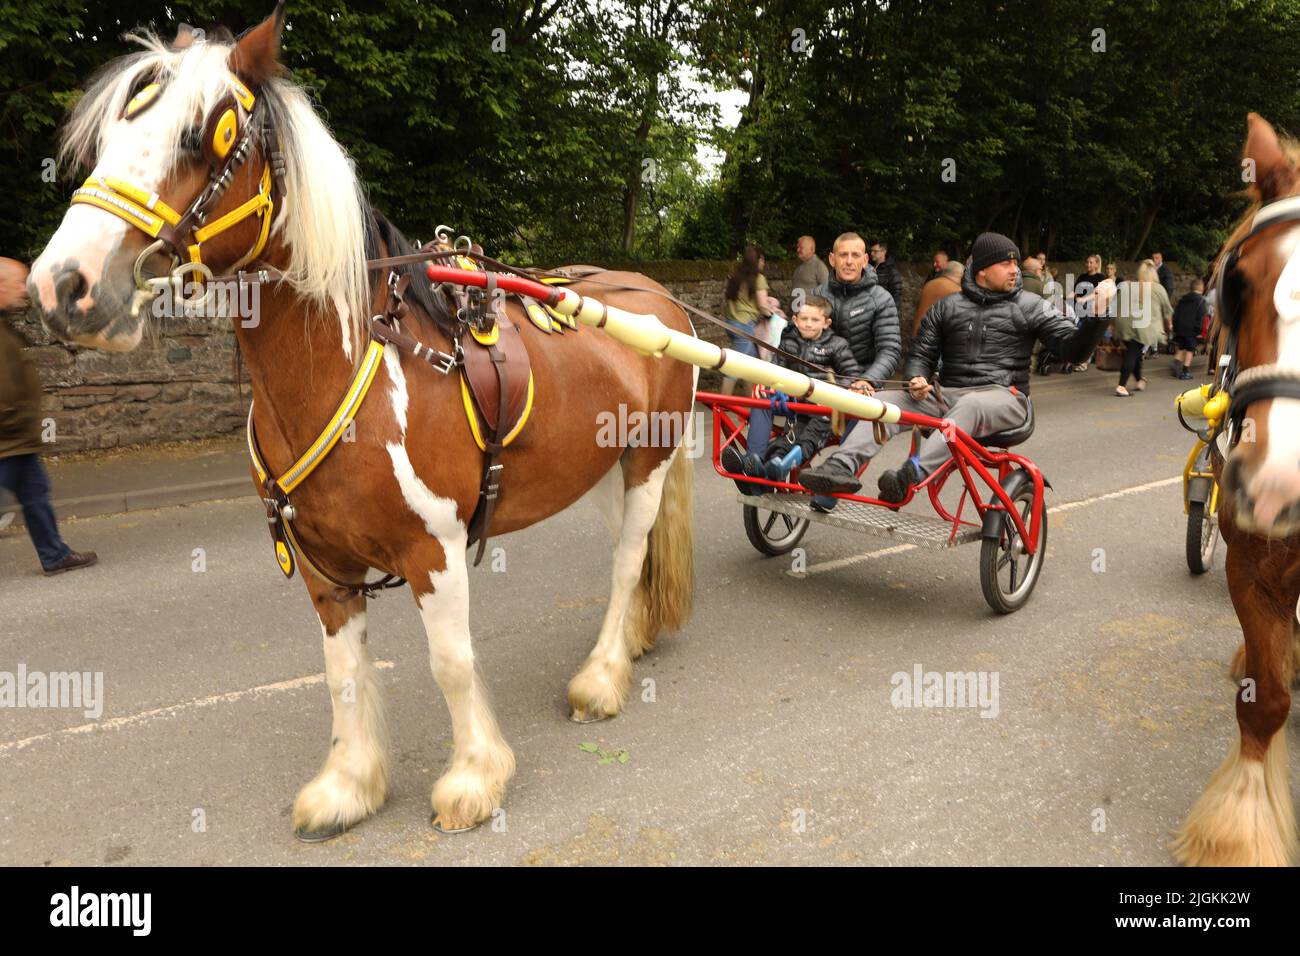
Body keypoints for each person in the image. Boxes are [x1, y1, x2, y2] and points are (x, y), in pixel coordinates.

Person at [798, 233, 1106, 504]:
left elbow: (1073, 349)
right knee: (883, 402)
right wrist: (917, 377)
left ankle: (911, 475)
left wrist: (1097, 317)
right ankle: (840, 467)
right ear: (983, 270)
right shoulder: (947, 307)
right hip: (947, 396)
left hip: (1006, 398)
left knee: (971, 404)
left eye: (1016, 264)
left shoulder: (1030, 305)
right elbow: (921, 354)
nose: (1016, 270)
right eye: (1007, 264)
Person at [0, 258, 97, 576]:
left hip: (16, 440)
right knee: (34, 493)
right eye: (17, 284)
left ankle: (55, 555)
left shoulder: (4, 325)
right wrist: (13, 421)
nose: (23, 292)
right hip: (8, 438)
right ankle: (55, 555)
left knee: (35, 492)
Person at [721, 295, 862, 493]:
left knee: (810, 433)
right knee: (763, 398)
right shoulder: (787, 344)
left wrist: (830, 390)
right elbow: (775, 371)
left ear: (826, 323)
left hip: (823, 407)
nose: (808, 324)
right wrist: (771, 386)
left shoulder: (837, 345)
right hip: (794, 405)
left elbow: (851, 377)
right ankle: (755, 460)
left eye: (815, 320)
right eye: (804, 319)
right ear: (795, 320)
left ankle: (781, 465)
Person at [812, 233, 901, 391]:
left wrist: (869, 380)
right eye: (843, 255)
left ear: (865, 260)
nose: (849, 261)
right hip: (820, 383)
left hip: (861, 386)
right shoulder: (817, 294)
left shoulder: (882, 299)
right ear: (832, 259)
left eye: (855, 255)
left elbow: (889, 349)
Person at [720, 245, 776, 396]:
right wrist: (775, 316)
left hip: (731, 323)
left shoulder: (735, 276)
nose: (764, 263)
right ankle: (720, 403)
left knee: (749, 366)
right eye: (762, 259)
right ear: (757, 260)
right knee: (734, 366)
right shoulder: (759, 278)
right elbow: (763, 306)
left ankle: (752, 403)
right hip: (744, 326)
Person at [1112, 259, 1173, 397]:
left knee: (1136, 353)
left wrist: (1113, 325)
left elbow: (1116, 307)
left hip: (1124, 325)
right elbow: (1167, 309)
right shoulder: (1158, 288)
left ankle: (1139, 380)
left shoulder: (1129, 286)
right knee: (1133, 354)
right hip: (1141, 327)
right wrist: (1170, 325)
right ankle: (1121, 386)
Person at [1170, 277, 1210, 380]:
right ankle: (1185, 371)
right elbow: (1201, 317)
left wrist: (1175, 327)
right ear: (1202, 288)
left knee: (1181, 347)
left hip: (1180, 329)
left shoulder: (1183, 299)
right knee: (1190, 350)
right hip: (1192, 330)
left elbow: (1176, 314)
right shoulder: (1201, 301)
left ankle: (1175, 365)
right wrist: (1199, 331)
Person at [912, 260, 963, 338]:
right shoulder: (956, 290)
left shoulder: (929, 285)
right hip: (935, 341)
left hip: (918, 334)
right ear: (958, 275)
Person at [869, 239, 905, 309]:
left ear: (884, 252)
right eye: (871, 251)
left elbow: (896, 299)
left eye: (875, 251)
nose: (872, 253)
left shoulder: (892, 272)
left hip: (883, 312)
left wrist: (889, 315)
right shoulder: (869, 268)